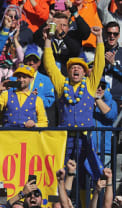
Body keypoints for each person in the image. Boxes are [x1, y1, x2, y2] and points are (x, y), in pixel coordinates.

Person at [43, 25, 104, 161]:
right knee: (62, 171)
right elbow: (50, 67)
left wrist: (99, 38)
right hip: (64, 137)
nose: (76, 69)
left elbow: (99, 64)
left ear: (84, 72)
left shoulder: (90, 84)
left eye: (80, 67)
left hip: (85, 137)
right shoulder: (61, 84)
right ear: (68, 71)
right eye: (73, 67)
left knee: (84, 174)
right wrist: (48, 40)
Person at [103, 22, 122, 110]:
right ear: (105, 34)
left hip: (117, 99)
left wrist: (114, 64)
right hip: (100, 98)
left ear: (118, 35)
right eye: (109, 33)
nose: (112, 36)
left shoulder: (121, 52)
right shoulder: (98, 50)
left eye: (115, 34)